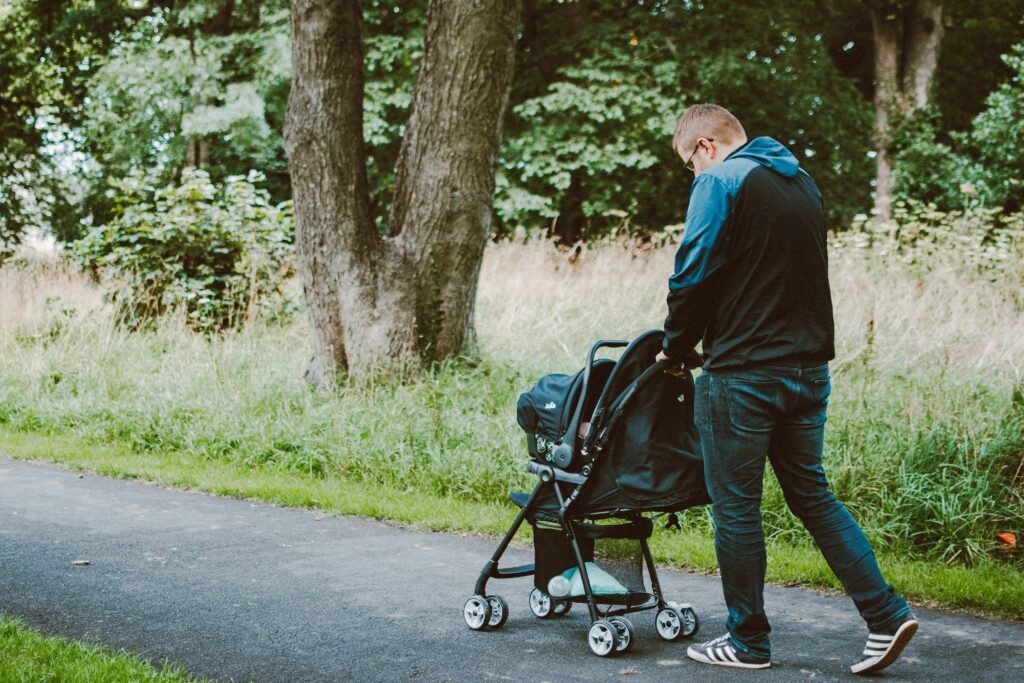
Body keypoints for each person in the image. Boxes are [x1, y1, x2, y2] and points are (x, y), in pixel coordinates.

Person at [654, 104, 918, 674]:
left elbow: (691, 271)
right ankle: (886, 615)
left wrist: (676, 350)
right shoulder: (802, 183)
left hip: (744, 375)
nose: (692, 176)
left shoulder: (721, 179)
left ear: (704, 147)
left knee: (737, 511)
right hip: (808, 372)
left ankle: (747, 643)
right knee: (813, 497)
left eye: (688, 165)